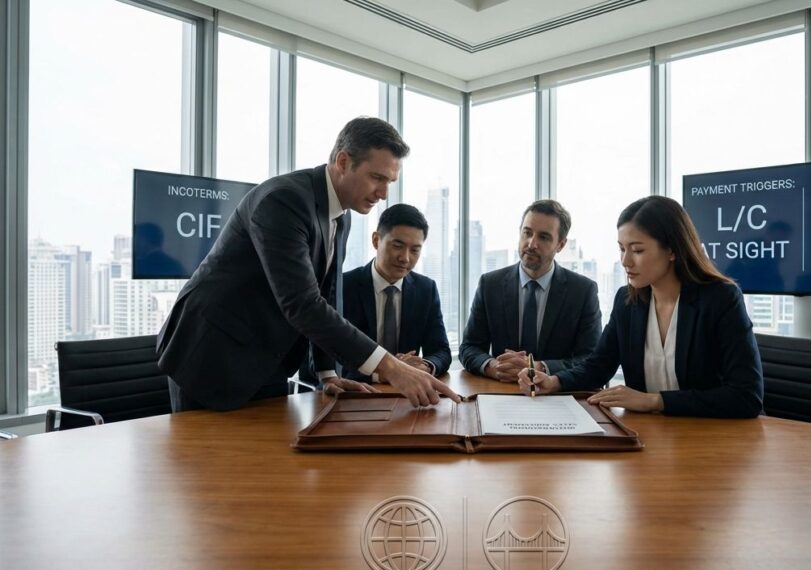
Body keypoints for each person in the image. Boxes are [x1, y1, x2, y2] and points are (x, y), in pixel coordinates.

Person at [156, 117, 459, 411]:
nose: (383, 194)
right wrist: (392, 368)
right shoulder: (284, 200)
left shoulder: (343, 216)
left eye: (390, 182)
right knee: (206, 461)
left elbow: (326, 293)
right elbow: (303, 303)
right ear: (342, 162)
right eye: (377, 178)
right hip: (211, 354)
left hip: (266, 359)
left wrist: (328, 374)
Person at [519, 195, 763, 418]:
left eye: (637, 250)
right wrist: (554, 382)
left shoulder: (720, 299)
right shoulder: (628, 301)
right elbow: (599, 365)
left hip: (711, 440)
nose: (625, 261)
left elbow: (746, 396)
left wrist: (654, 401)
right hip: (648, 436)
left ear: (671, 250)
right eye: (622, 249)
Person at [459, 199, 601, 383]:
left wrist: (539, 367)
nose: (531, 243)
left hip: (557, 396)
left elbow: (590, 358)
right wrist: (494, 367)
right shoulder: (490, 284)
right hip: (501, 393)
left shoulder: (582, 291)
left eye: (543, 237)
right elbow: (469, 347)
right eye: (527, 233)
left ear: (561, 244)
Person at [319, 203, 451, 384]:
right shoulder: (342, 287)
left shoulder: (426, 289)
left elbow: (441, 351)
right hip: (354, 394)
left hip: (407, 395)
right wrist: (388, 373)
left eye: (415, 250)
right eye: (397, 245)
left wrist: (424, 366)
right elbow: (327, 359)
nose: (405, 258)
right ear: (376, 240)